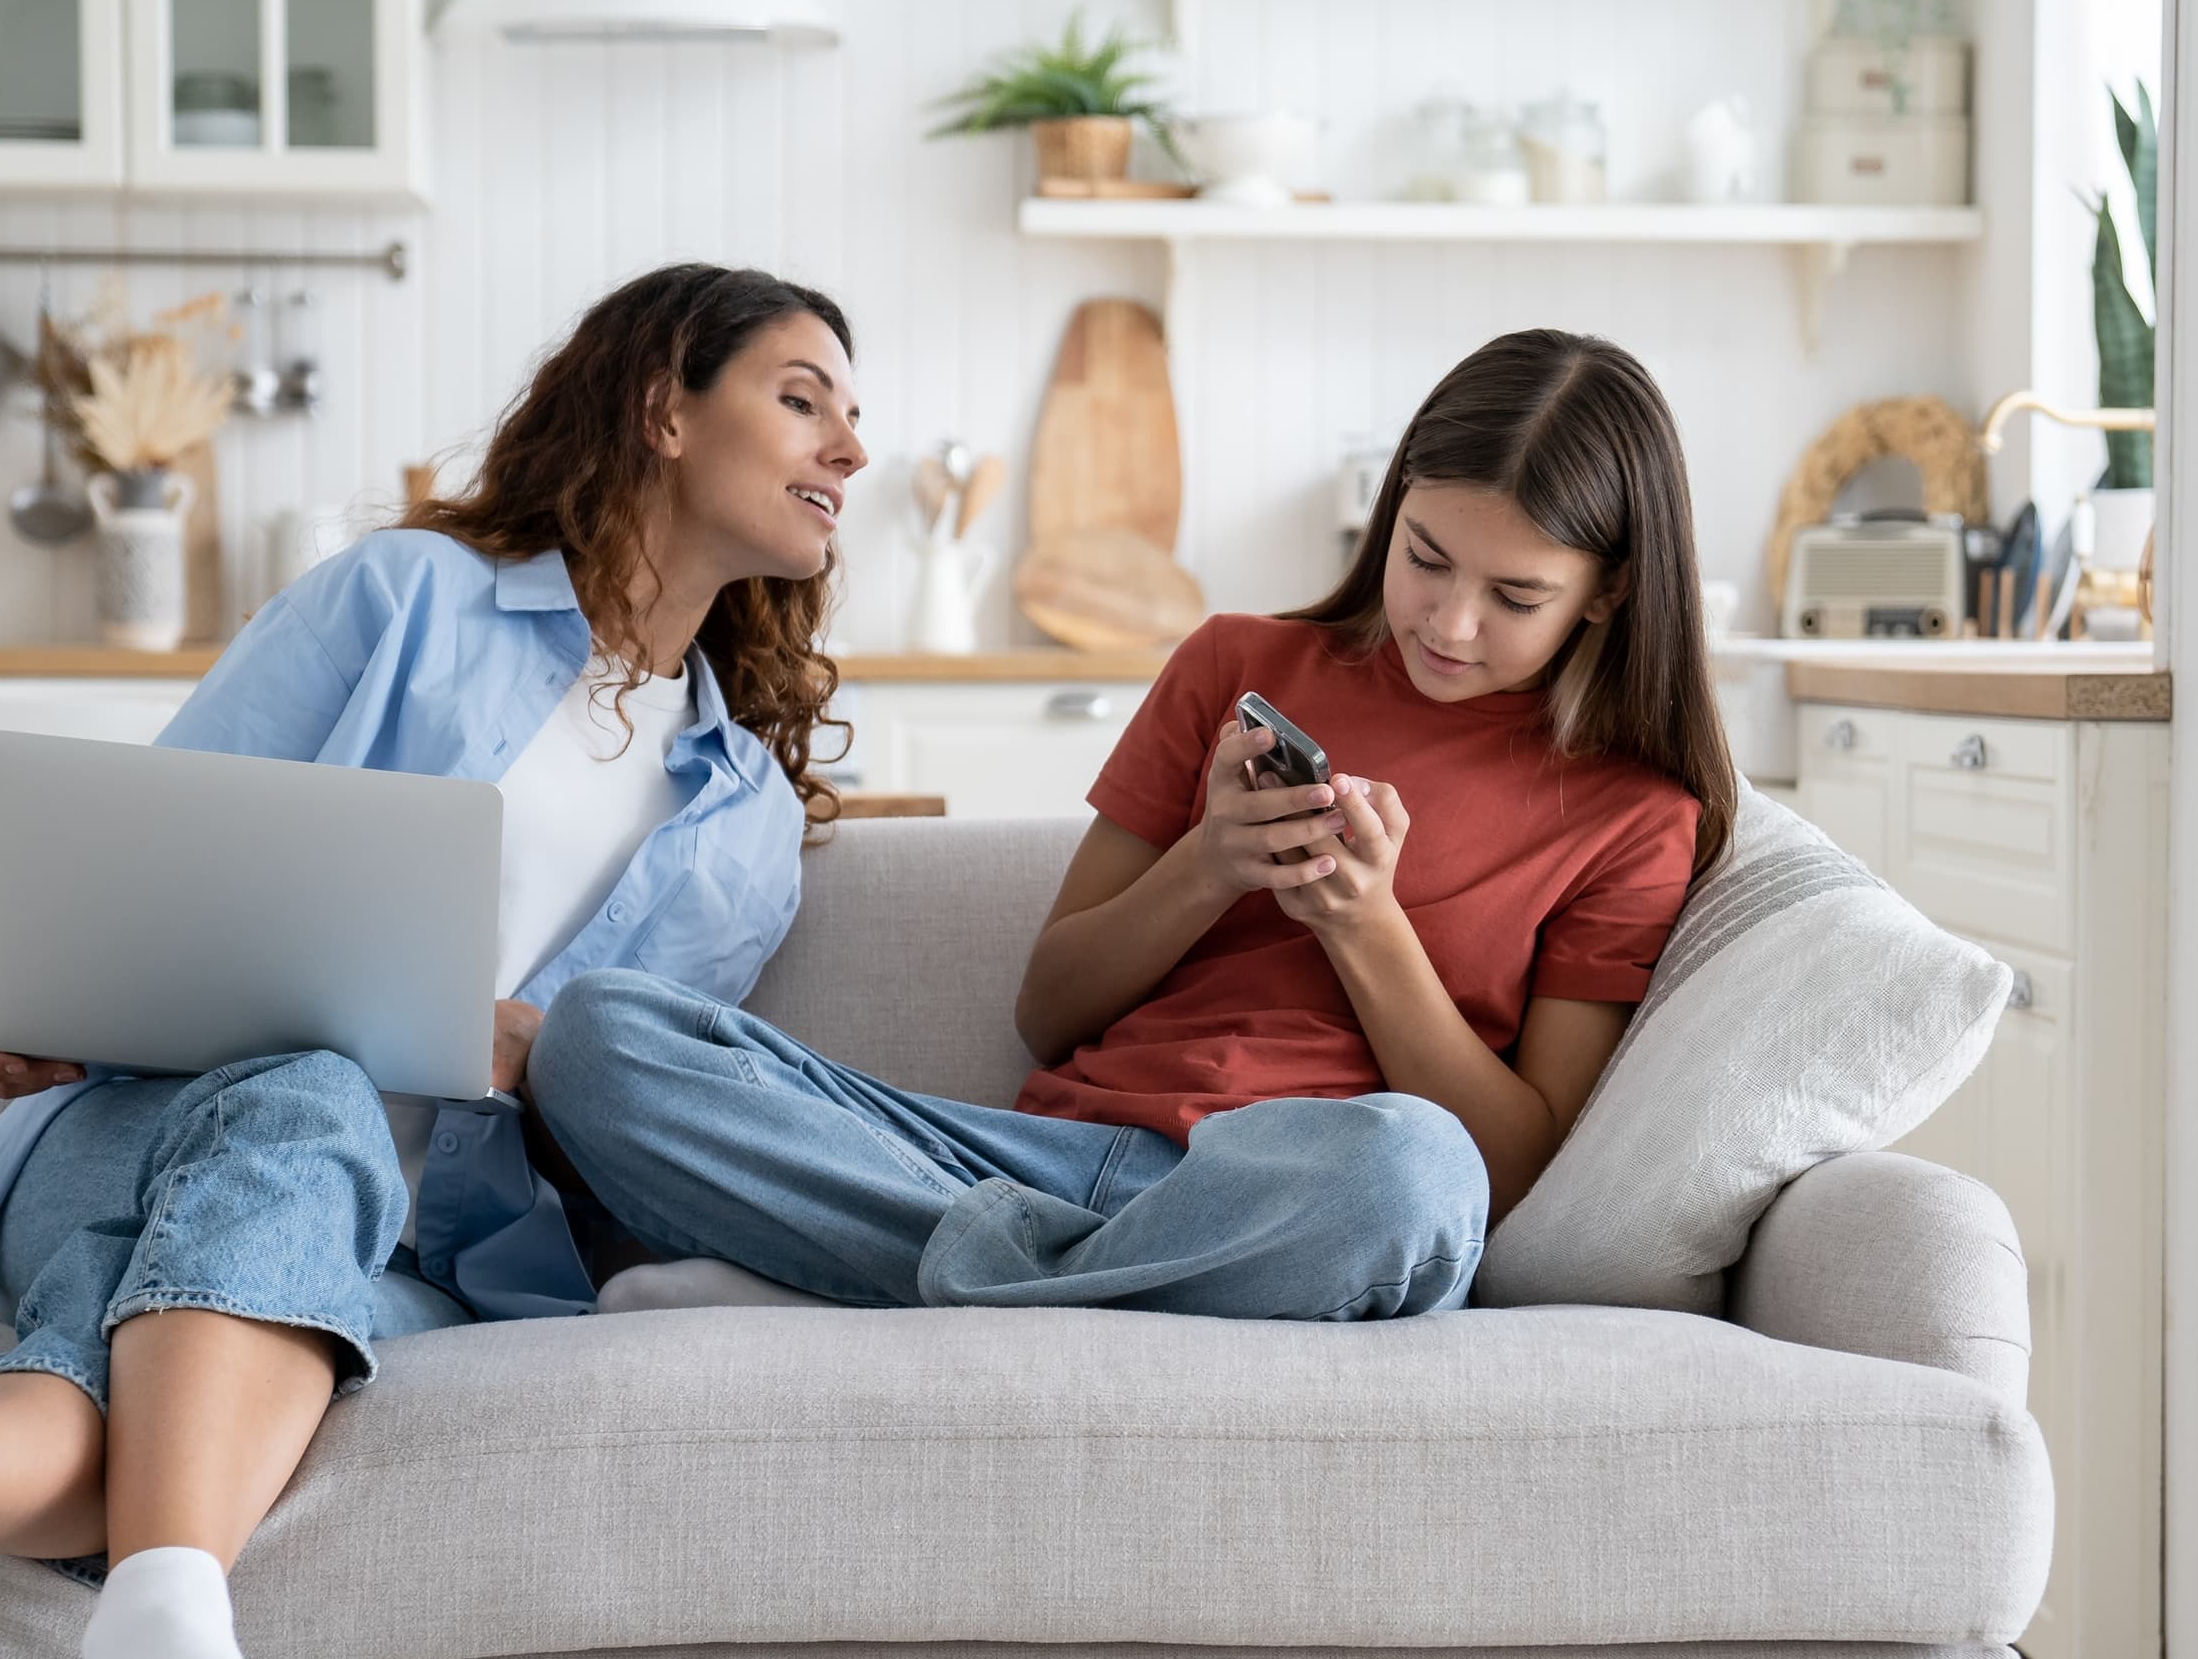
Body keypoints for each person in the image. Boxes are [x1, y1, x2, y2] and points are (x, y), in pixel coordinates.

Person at [0, 263, 865, 1659]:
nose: (849, 451)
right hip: (160, 1141)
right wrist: (33, 1010)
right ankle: (167, 1641)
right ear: (662, 410)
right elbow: (155, 871)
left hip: (424, 1267)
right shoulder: (403, 598)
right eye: (802, 398)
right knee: (310, 1093)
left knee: (171, 1357)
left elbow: (646, 1118)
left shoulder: (745, 816)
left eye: (850, 418)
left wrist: (539, 1055)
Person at [531, 325, 1735, 1321]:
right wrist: (1209, 864)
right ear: (1394, 507)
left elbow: (1509, 1169)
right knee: (597, 1035)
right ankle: (1030, 1277)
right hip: (1025, 1163)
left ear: (1610, 589)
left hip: (1292, 1192)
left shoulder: (1634, 816)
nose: (1450, 622)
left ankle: (869, 1273)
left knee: (1415, 1174)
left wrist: (1365, 927)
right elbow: (1049, 1009)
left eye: (1515, 596)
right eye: (1426, 558)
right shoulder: (1236, 662)